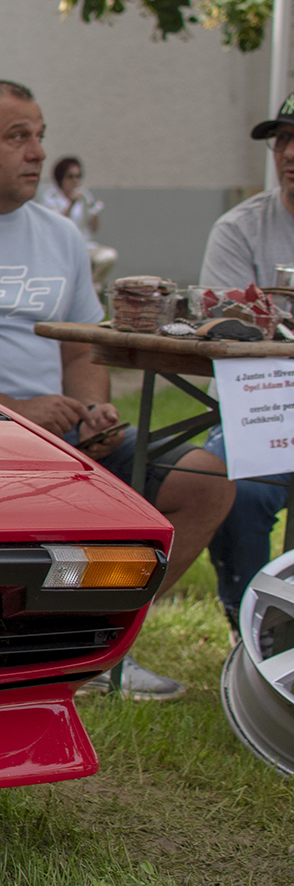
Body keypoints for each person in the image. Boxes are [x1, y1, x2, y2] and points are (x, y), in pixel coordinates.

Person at [0, 79, 234, 701]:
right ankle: (33, 650)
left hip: (63, 442)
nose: (36, 152)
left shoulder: (60, 236)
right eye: (17, 136)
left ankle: (101, 647)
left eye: (40, 136)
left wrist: (92, 408)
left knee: (209, 482)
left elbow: (80, 348)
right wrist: (14, 412)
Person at [196, 91, 294, 627]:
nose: (290, 153)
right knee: (239, 489)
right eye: (283, 139)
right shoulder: (240, 229)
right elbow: (229, 331)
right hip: (262, 403)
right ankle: (256, 628)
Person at [41, 156, 118, 290]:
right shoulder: (51, 197)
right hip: (61, 247)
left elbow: (94, 229)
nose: (75, 181)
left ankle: (92, 288)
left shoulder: (85, 196)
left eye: (78, 176)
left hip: (84, 245)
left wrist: (95, 213)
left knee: (108, 256)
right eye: (71, 177)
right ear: (61, 178)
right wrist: (71, 203)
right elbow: (56, 225)